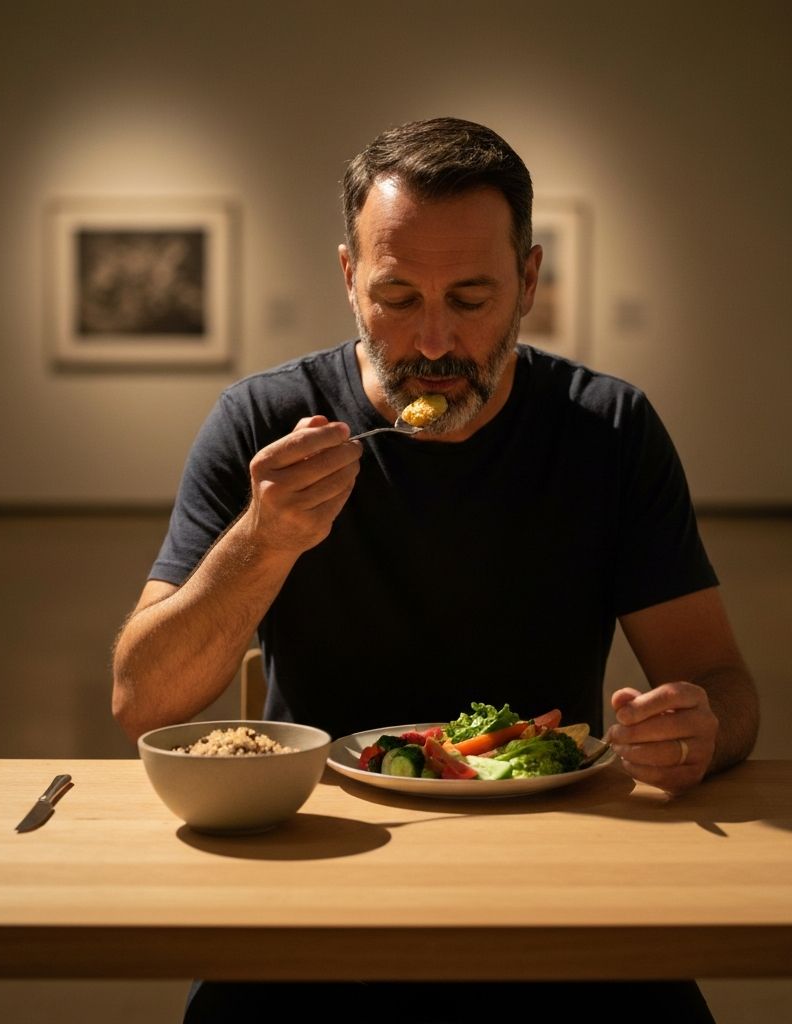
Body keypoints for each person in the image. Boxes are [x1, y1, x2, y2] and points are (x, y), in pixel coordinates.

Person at [112, 116, 758, 1022]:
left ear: (528, 281)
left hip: (555, 852)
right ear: (348, 278)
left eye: (470, 297)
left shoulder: (608, 430)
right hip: (319, 858)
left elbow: (724, 686)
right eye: (397, 296)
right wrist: (263, 541)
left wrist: (697, 732)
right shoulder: (263, 423)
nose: (431, 341)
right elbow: (144, 702)